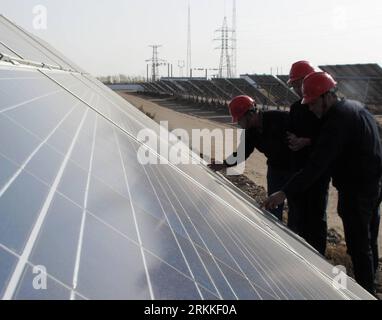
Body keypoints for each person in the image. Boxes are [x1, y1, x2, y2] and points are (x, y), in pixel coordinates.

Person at [264, 71, 382, 295]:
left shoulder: (337, 119)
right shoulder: (354, 107)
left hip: (357, 188)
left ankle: (366, 291)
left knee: (358, 244)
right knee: (368, 239)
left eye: (313, 103)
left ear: (327, 96)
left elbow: (316, 165)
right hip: (373, 182)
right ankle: (371, 286)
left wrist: (284, 192)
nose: (310, 108)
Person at [210, 95, 291, 221]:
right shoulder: (251, 132)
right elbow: (242, 152)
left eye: (240, 119)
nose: (239, 123)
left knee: (297, 205)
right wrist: (225, 164)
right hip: (275, 169)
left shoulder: (280, 118)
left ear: (251, 114)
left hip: (294, 168)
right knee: (273, 206)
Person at [286, 61, 330, 255]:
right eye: (294, 85)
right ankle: (298, 252)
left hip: (317, 171)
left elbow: (329, 137)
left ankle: (317, 256)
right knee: (297, 212)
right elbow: (291, 129)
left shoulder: (325, 108)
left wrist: (308, 141)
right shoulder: (296, 108)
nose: (296, 89)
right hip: (298, 168)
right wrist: (293, 139)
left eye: (298, 84)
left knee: (316, 215)